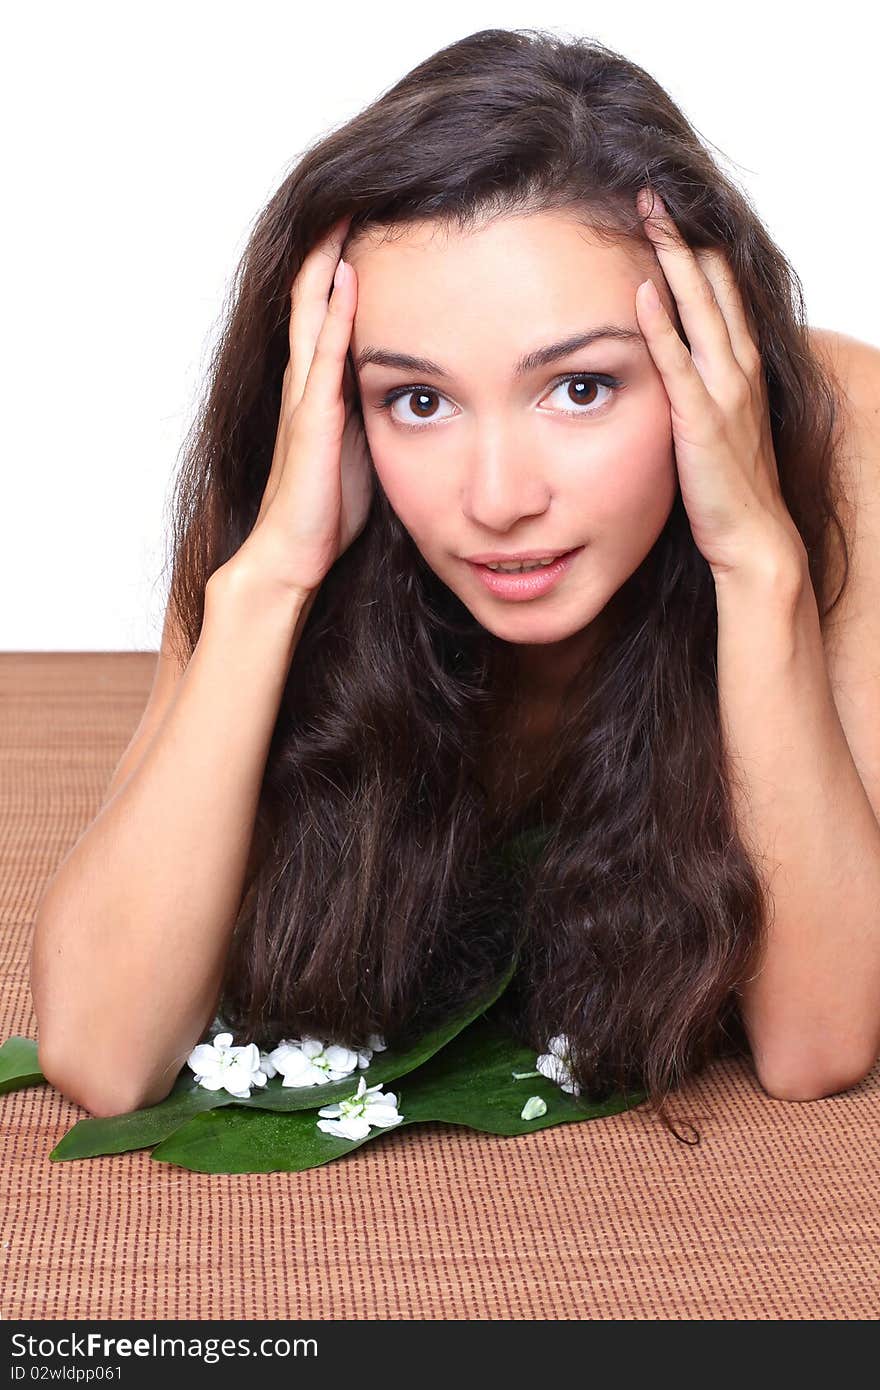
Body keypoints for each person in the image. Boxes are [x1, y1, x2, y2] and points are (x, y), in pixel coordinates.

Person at [30, 27, 879, 1141]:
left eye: (578, 387)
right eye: (418, 400)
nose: (495, 497)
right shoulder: (309, 480)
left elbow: (816, 1040)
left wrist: (755, 559)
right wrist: (272, 577)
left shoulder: (844, 441)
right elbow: (102, 1049)